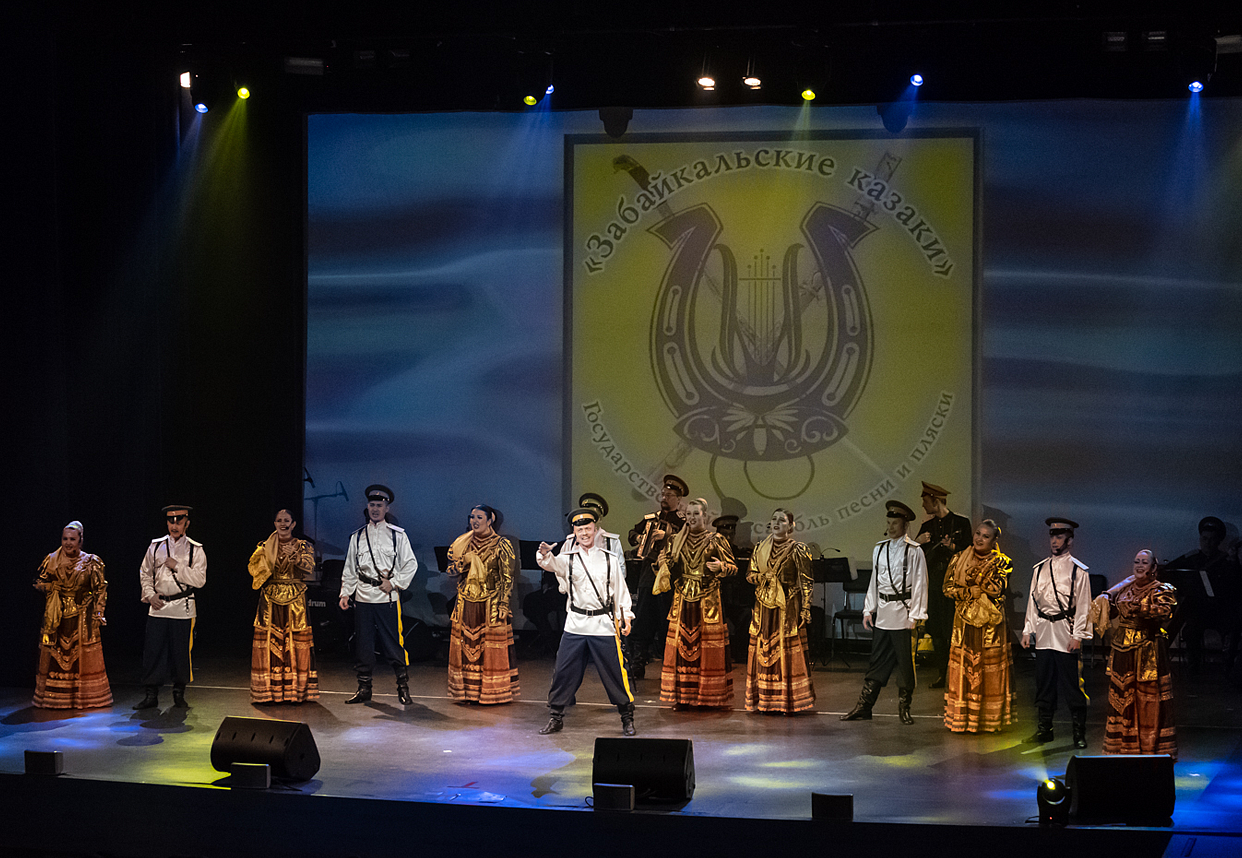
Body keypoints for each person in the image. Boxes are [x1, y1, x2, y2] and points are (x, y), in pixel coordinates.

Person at [536, 506, 636, 735]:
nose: (584, 534)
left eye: (588, 529)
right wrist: (543, 553)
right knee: (564, 671)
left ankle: (627, 717)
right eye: (580, 530)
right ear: (574, 532)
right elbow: (549, 564)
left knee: (615, 673)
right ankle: (556, 717)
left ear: (595, 530)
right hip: (576, 623)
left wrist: (626, 617)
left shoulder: (609, 560)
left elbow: (620, 591)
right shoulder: (567, 559)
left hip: (603, 624)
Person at [841, 500, 929, 725]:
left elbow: (920, 583)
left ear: (905, 525)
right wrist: (868, 609)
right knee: (877, 660)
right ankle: (864, 706)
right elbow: (875, 581)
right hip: (884, 612)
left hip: (903, 612)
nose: (890, 527)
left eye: (895, 523)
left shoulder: (914, 551)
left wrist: (916, 615)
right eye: (888, 523)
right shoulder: (879, 548)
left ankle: (904, 707)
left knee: (905, 662)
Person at [1091, 549, 1178, 758]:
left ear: (1153, 568)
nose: (1139, 566)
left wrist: (1139, 608)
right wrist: (1105, 600)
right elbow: (1112, 612)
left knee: (1146, 699)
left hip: (1147, 651)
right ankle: (1124, 746)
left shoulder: (1161, 589)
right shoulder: (1124, 589)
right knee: (1122, 698)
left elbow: (1164, 613)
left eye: (1144, 562)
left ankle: (1149, 747)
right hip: (1123, 652)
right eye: (1136, 562)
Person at [655, 497, 739, 709]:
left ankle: (708, 695)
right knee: (682, 648)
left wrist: (721, 566)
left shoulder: (716, 540)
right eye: (689, 514)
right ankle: (683, 696)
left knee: (706, 648)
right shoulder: (676, 540)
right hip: (682, 599)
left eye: (696, 514)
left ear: (705, 516)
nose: (692, 518)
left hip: (708, 600)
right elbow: (662, 562)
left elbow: (734, 568)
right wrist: (663, 564)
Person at [338, 485, 419, 705]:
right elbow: (350, 567)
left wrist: (394, 584)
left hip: (387, 599)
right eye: (372, 505)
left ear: (386, 507)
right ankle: (364, 688)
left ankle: (403, 687)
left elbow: (410, 564)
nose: (375, 509)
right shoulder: (357, 537)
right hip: (363, 598)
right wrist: (346, 593)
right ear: (367, 507)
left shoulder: (397, 535)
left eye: (379, 505)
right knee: (363, 644)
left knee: (393, 643)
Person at [1021, 516, 1092, 747]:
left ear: (1069, 540)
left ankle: (1078, 733)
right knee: (1044, 682)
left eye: (1060, 536)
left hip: (1065, 631)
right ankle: (1044, 729)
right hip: (1044, 631)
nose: (1054, 541)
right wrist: (1027, 630)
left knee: (1072, 684)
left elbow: (1083, 605)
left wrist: (1078, 635)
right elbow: (1033, 601)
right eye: (1052, 536)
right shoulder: (1040, 569)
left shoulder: (1078, 571)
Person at [942, 519, 1014, 733]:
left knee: (988, 670)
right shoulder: (958, 558)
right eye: (977, 534)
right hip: (963, 624)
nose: (979, 539)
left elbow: (997, 590)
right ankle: (963, 720)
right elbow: (947, 588)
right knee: (964, 669)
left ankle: (988, 720)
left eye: (985, 536)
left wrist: (977, 577)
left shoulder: (1002, 562)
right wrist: (966, 593)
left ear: (994, 540)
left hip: (990, 626)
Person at [33, 521, 112, 709]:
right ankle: (57, 698)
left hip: (82, 617)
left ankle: (81, 698)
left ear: (80, 541)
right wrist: (51, 587)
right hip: (57, 617)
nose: (68, 543)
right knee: (56, 656)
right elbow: (38, 582)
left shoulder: (91, 562)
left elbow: (100, 589)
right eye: (65, 539)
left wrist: (99, 611)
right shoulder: (52, 559)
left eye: (72, 539)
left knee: (80, 658)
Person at [446, 504, 520, 704]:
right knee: (467, 647)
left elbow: (507, 577)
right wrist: (464, 563)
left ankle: (491, 692)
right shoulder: (463, 543)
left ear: (490, 520)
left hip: (491, 603)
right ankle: (467, 693)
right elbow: (451, 571)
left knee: (488, 649)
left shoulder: (501, 544)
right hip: (466, 603)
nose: (475, 521)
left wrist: (504, 604)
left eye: (479, 517)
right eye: (472, 517)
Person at [135, 505, 207, 710]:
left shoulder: (195, 549)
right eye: (171, 521)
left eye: (179, 520)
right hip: (158, 606)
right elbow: (145, 573)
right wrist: (150, 595)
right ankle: (151, 695)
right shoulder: (155, 546)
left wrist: (177, 566)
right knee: (153, 651)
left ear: (187, 522)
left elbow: (200, 580)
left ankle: (179, 694)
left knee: (180, 652)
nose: (174, 525)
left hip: (182, 607)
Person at [744, 509, 815, 714]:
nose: (776, 523)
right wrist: (762, 578)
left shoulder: (798, 549)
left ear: (790, 526)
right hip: (764, 607)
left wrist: (806, 608)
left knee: (784, 651)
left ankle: (787, 702)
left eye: (782, 520)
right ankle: (764, 700)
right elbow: (750, 575)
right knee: (763, 650)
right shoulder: (760, 548)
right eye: (774, 519)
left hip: (787, 607)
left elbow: (806, 581)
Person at [248, 509, 318, 704]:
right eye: (279, 520)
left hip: (295, 598)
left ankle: (295, 691)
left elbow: (309, 568)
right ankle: (270, 691)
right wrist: (265, 559)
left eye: (287, 520)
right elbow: (253, 569)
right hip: (270, 598)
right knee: (270, 641)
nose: (283, 524)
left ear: (293, 524)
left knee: (295, 642)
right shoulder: (264, 546)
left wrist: (295, 557)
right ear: (274, 523)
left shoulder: (303, 546)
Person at [626, 474, 688, 677]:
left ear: (678, 499)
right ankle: (638, 663)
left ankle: (670, 664)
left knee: (666, 620)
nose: (665, 497)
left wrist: (668, 535)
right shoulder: (650, 518)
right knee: (643, 618)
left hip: (670, 578)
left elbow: (688, 543)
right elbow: (631, 534)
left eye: (669, 495)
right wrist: (639, 537)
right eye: (663, 494)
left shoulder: (684, 522)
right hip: (648, 576)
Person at [915, 482, 973, 688]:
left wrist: (953, 547)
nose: (923, 506)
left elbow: (971, 553)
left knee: (954, 631)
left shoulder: (961, 523)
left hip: (955, 587)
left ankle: (960, 674)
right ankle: (943, 674)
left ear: (936, 501)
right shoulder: (926, 528)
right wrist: (918, 542)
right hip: (933, 585)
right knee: (937, 632)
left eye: (926, 501)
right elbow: (914, 557)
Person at [1165, 516, 1240, 673]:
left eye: (1212, 539)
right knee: (1190, 628)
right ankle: (1193, 669)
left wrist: (1234, 563)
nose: (1207, 543)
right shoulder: (1192, 558)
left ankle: (1229, 668)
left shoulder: (1227, 561)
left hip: (1221, 611)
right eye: (1204, 538)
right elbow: (1169, 572)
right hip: (1198, 611)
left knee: (1233, 628)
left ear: (1219, 541)